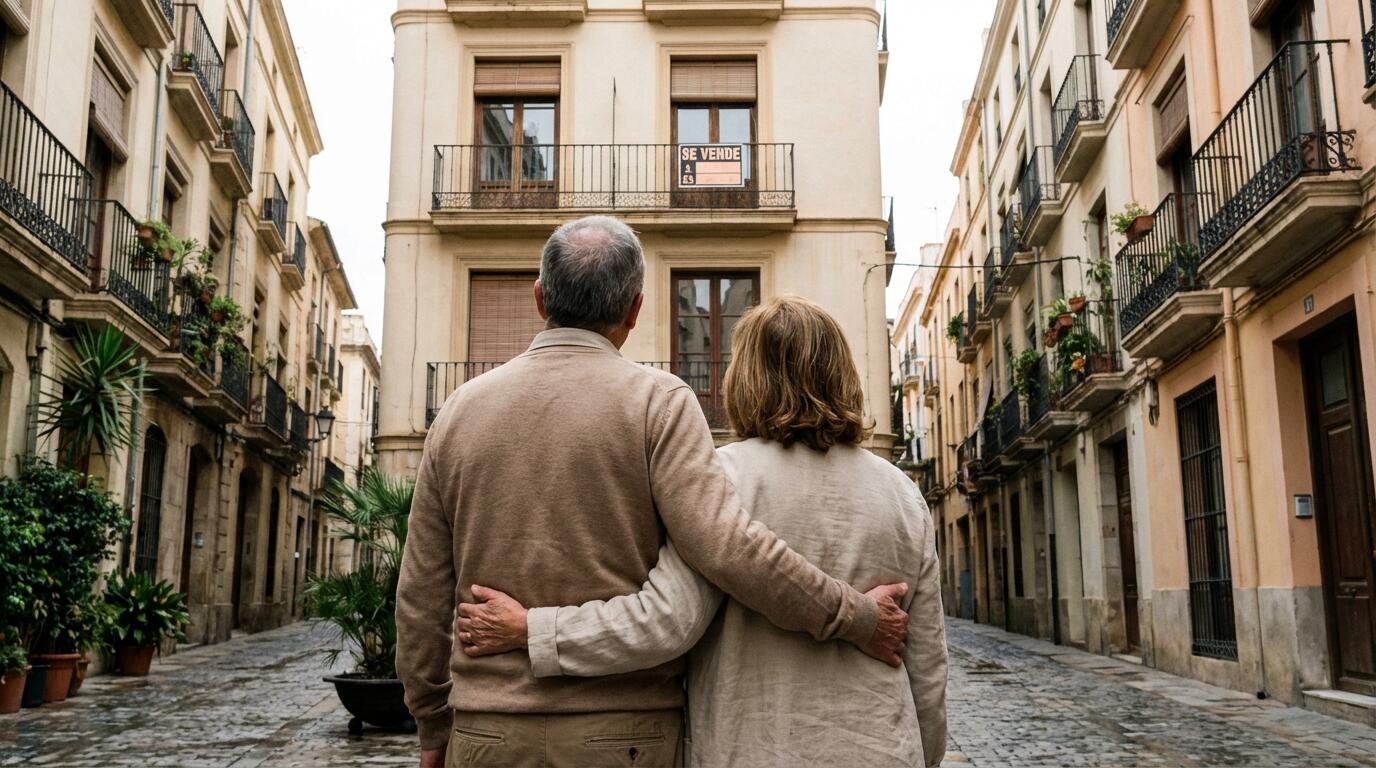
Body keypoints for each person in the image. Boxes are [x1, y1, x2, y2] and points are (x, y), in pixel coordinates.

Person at [396, 216, 910, 768]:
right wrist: (854, 617)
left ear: (540, 297)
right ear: (635, 308)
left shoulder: (458, 411)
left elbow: (421, 592)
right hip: (626, 734)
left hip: (487, 732)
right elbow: (727, 548)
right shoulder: (659, 403)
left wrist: (432, 723)